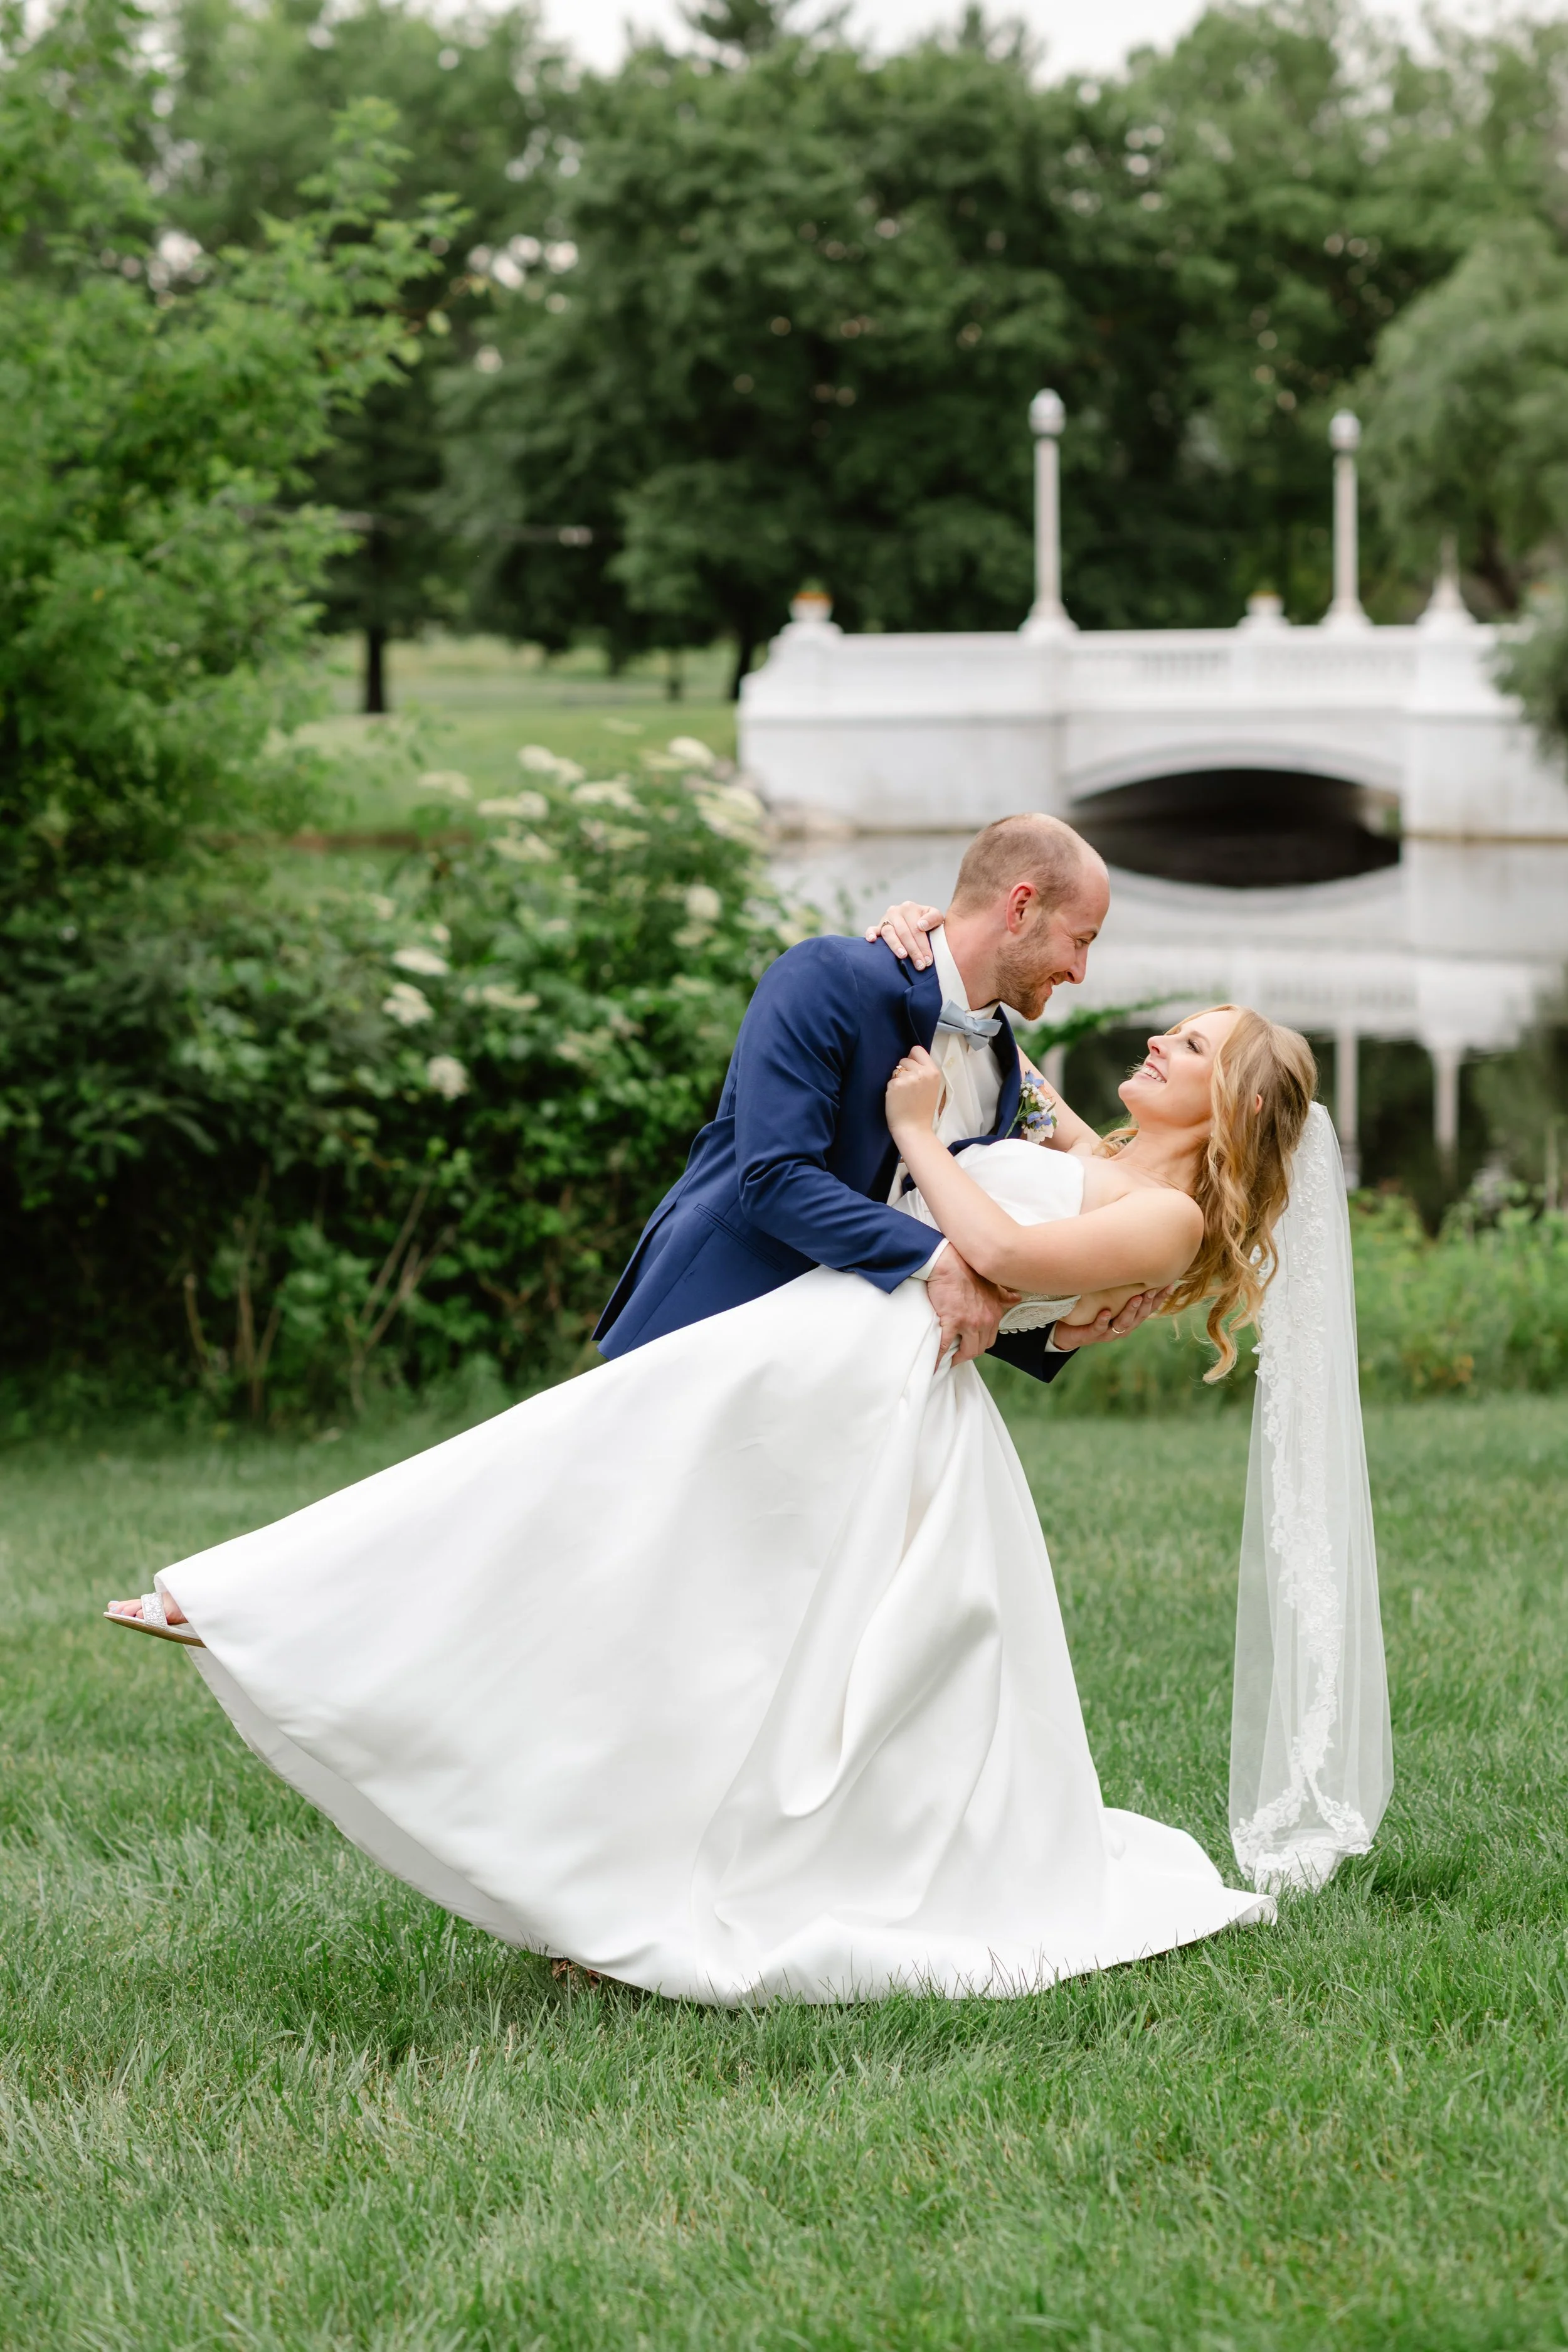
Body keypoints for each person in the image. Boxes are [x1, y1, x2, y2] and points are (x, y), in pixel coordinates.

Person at [102, 858, 1373, 1997]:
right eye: (1083, 950)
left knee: (703, 1619)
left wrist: (919, 1137)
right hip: (817, 1349)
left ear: (1230, 1111)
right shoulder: (1073, 1134)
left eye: (1192, 1050)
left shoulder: (1167, 1223)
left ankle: (310, 1645)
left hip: (863, 1381)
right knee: (568, 1505)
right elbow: (993, 1065)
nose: (1146, 1031)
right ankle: (260, 1604)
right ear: (1027, 904)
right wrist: (926, 935)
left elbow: (986, 1245)